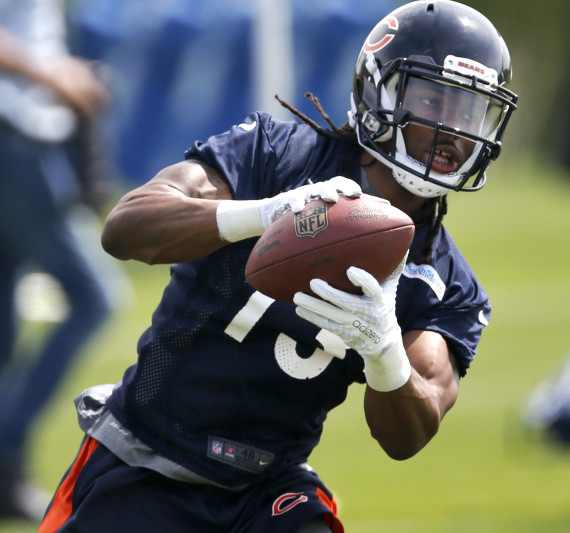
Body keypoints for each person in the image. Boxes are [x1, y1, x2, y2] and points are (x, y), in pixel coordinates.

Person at [39, 1, 518, 531]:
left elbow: (408, 435)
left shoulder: (444, 281)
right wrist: (263, 213)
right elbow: (125, 228)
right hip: (145, 459)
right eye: (434, 100)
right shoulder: (277, 157)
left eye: (470, 112)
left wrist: (385, 355)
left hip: (268, 488)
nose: (454, 130)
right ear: (381, 91)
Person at [0, 0, 112, 523]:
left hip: (26, 133)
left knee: (4, 325)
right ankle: (5, 444)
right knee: (95, 294)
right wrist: (54, 72)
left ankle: (6, 474)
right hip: (14, 137)